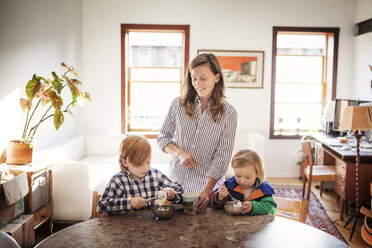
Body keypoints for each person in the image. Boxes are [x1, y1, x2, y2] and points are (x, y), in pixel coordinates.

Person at [157, 53, 237, 213]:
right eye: (194, 78)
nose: (197, 84)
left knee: (206, 235)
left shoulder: (228, 113)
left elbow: (222, 157)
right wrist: (179, 153)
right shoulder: (177, 104)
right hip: (176, 185)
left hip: (206, 191)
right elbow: (162, 138)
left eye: (203, 78)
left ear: (217, 77)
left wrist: (207, 190)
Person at [98, 135, 183, 215]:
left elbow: (179, 189)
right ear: (125, 162)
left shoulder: (155, 175)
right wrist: (129, 202)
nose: (145, 168)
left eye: (148, 162)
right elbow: (102, 206)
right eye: (139, 164)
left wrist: (173, 193)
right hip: (127, 227)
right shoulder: (118, 181)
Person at [211, 149, 277, 215]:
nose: (242, 181)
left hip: (256, 224)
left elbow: (271, 208)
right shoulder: (228, 185)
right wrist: (219, 197)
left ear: (258, 174)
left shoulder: (264, 189)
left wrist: (254, 207)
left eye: (248, 177)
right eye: (238, 176)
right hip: (232, 223)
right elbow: (214, 205)